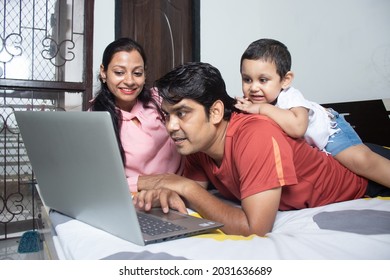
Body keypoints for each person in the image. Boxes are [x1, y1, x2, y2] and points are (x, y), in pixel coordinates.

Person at [134, 62, 390, 237]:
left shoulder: (256, 135)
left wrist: (182, 186)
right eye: (167, 116)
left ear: (215, 112)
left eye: (181, 114)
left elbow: (255, 228)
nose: (171, 126)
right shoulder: (195, 144)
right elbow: (196, 196)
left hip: (365, 182)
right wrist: (168, 195)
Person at [234, 38, 390, 188]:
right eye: (247, 80)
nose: (253, 88)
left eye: (263, 80)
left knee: (362, 161)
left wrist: (262, 109)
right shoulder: (254, 102)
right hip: (314, 150)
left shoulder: (290, 96)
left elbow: (298, 128)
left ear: (285, 80)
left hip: (331, 132)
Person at [89, 37, 184, 193]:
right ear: (103, 72)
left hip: (186, 191)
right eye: (119, 72)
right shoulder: (95, 120)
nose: (130, 81)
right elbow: (101, 182)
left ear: (145, 74)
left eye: (137, 73)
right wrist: (156, 182)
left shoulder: (158, 99)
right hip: (140, 200)